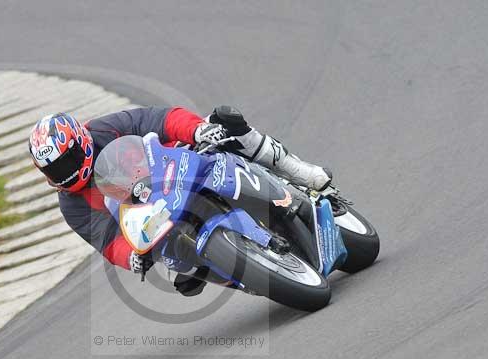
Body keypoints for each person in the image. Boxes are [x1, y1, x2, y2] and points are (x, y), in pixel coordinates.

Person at [27, 105, 333, 295]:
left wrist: (199, 130)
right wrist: (131, 258)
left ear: (81, 141)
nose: (64, 174)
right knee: (162, 255)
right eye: (54, 169)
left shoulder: (105, 128)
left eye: (68, 162)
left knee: (229, 124)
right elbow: (107, 240)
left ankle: (298, 171)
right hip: (153, 215)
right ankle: (214, 264)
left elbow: (160, 119)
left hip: (178, 167)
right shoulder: (71, 204)